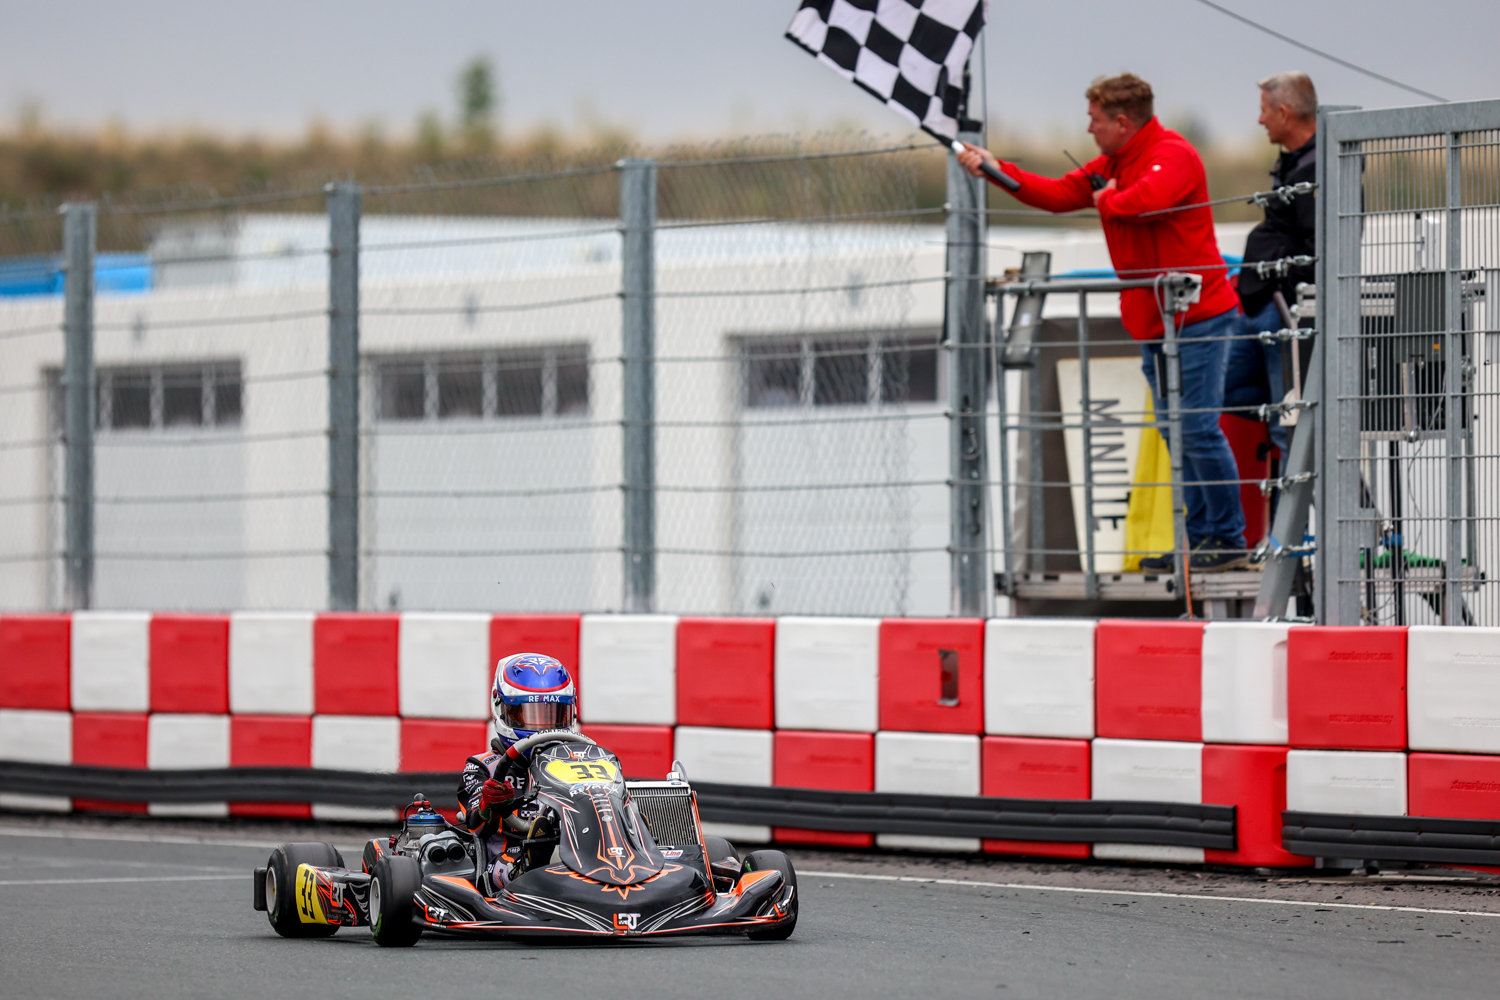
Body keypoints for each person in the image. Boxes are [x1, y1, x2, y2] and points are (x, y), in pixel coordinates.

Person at [958, 73, 1247, 572]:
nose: (1088, 129)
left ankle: (1226, 539)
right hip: (1157, 319)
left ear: (1120, 121)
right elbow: (1053, 193)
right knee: (1176, 432)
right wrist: (993, 169)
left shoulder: (1173, 154)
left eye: (1094, 120)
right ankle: (1201, 540)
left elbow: (1146, 201)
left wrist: (1105, 200)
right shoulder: (1114, 164)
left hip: (1197, 315)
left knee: (1195, 429)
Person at [1227, 71, 1319, 456]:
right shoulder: (1296, 162)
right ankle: (1294, 405)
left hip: (1284, 311)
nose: (1260, 119)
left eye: (1264, 111)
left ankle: (1300, 514)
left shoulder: (1319, 166)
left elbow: (1321, 248)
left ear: (1284, 112)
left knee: (1289, 431)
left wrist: (1284, 280)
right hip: (1263, 307)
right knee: (1222, 387)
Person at [456, 651, 579, 888]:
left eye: (553, 716)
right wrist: (487, 803)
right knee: (533, 860)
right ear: (501, 709)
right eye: (528, 716)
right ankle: (536, 866)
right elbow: (475, 824)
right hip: (506, 859)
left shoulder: (576, 764)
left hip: (573, 852)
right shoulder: (482, 767)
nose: (544, 729)